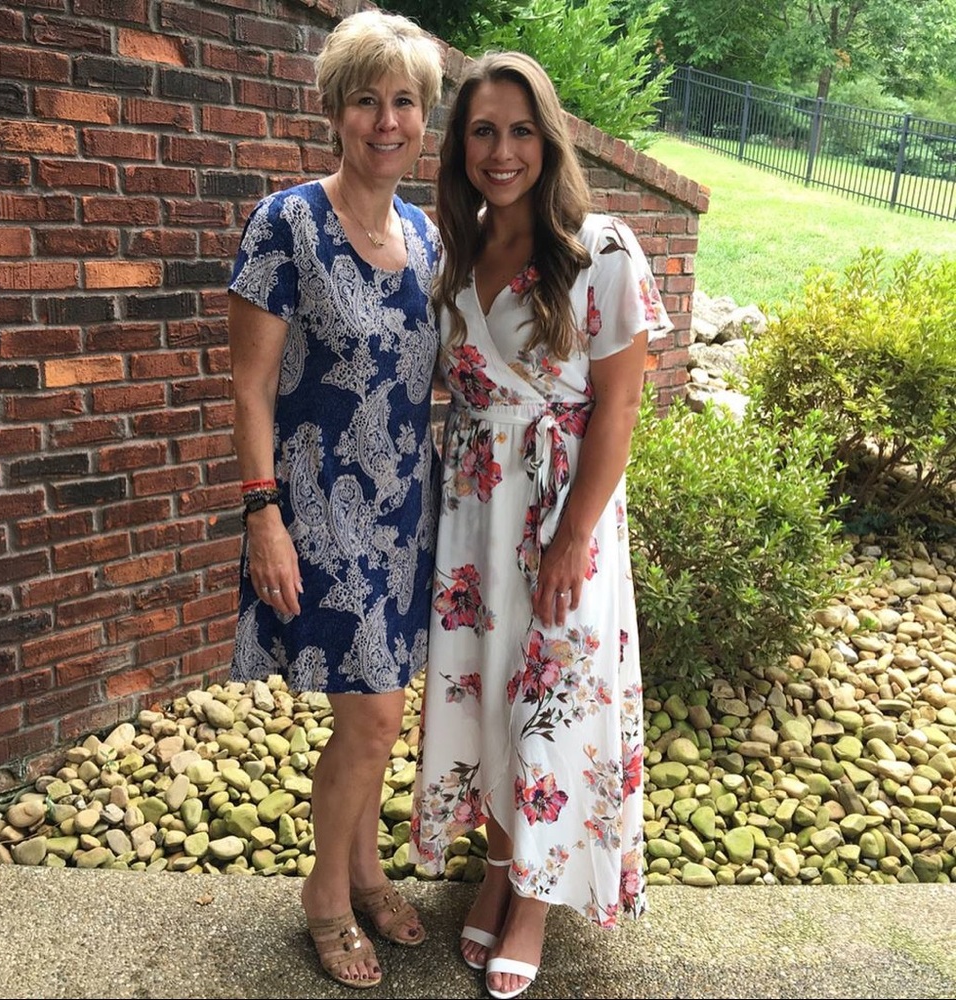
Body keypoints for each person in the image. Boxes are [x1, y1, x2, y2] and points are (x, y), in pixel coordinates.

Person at [412, 52, 673, 1000]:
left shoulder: (599, 248)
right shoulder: (457, 255)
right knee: (482, 690)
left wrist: (571, 538)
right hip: (475, 518)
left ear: (549, 137)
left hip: (566, 518)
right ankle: (494, 862)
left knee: (553, 701)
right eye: (483, 130)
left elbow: (620, 412)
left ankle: (532, 899)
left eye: (521, 130)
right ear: (461, 145)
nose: (502, 150)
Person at [226, 10, 443, 991]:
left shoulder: (428, 237)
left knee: (378, 717)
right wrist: (262, 513)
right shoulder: (288, 223)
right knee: (371, 717)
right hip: (318, 510)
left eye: (404, 100)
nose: (387, 119)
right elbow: (246, 384)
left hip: (407, 512)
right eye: (368, 100)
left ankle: (362, 867)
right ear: (335, 111)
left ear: (423, 116)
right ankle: (326, 891)